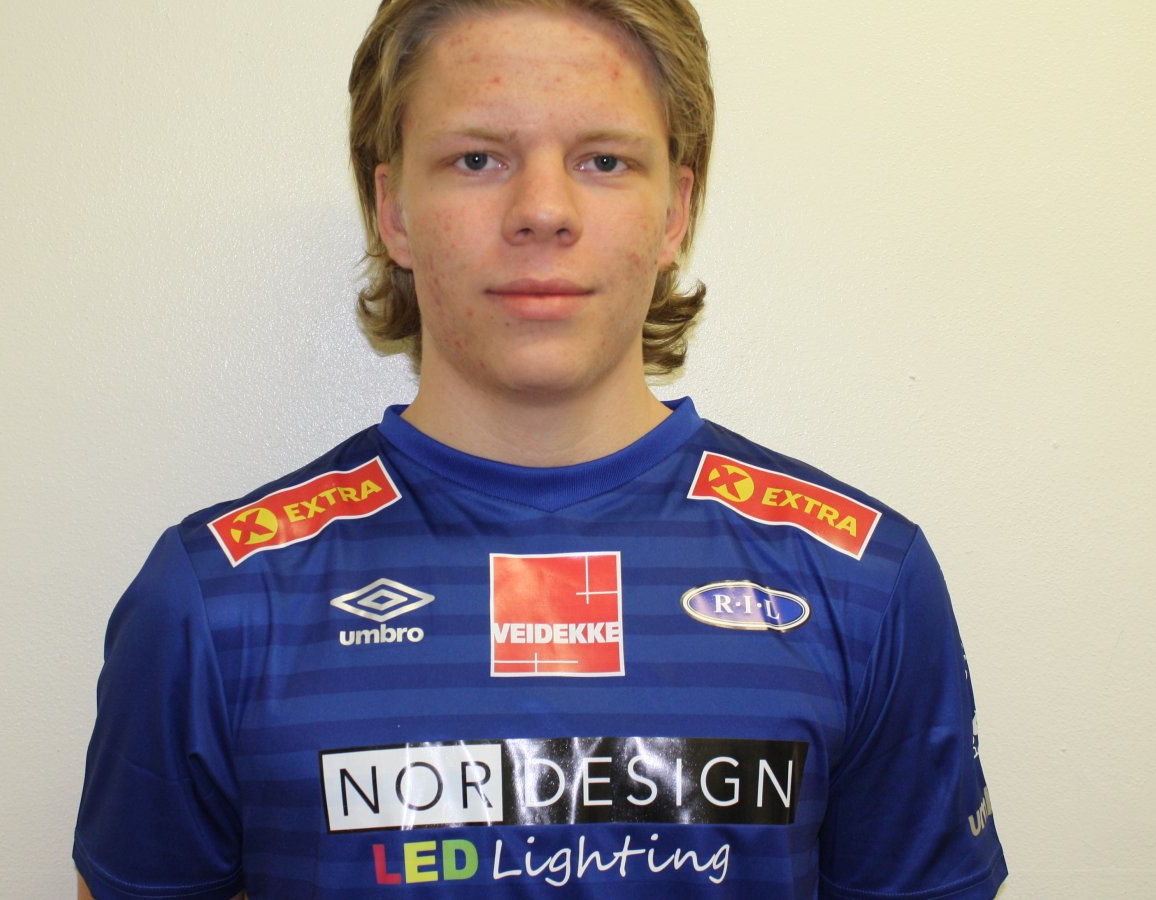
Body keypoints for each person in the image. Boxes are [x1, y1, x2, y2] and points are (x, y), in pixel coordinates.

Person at [74, 0, 1008, 896]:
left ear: (675, 212)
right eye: (478, 158)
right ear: (392, 210)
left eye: (603, 160)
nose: (543, 210)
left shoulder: (861, 583)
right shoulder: (217, 602)